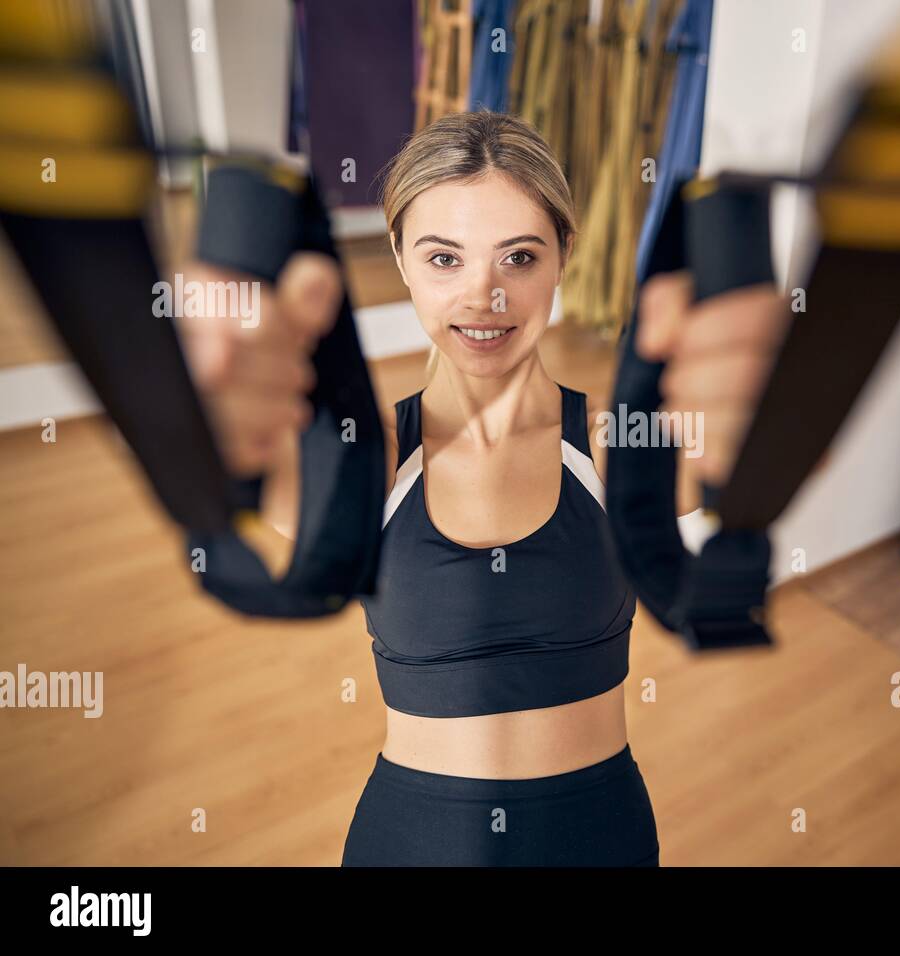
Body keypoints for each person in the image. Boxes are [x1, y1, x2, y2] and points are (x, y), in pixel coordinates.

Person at [177, 110, 791, 866]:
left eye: (519, 258)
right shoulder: (362, 463)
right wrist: (208, 377)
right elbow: (217, 452)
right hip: (410, 841)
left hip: (602, 840)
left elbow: (756, 453)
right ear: (399, 257)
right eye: (444, 259)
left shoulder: (616, 447)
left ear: (564, 254)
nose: (485, 297)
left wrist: (768, 398)